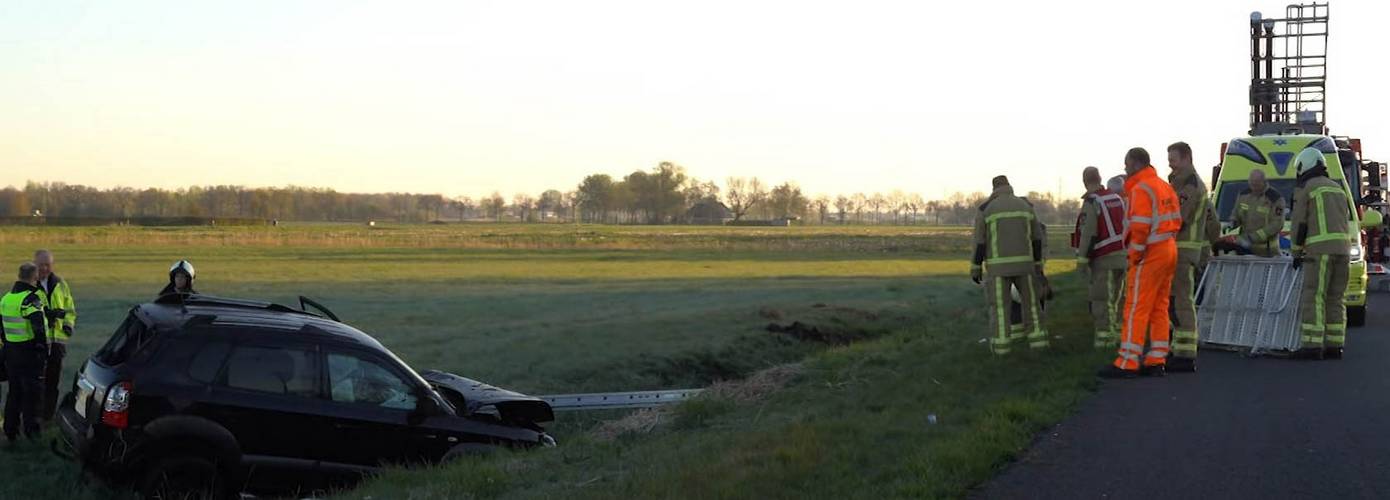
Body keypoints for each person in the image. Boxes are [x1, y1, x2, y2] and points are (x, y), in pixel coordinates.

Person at [1099, 147, 1182, 378]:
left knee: (1136, 307)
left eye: (1126, 164)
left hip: (1150, 252)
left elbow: (1140, 227)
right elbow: (1177, 219)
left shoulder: (1140, 189)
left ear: (1135, 164)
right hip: (1168, 248)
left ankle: (1128, 361)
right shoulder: (1163, 185)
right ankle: (1157, 359)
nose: (1124, 168)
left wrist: (1134, 256)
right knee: (1159, 307)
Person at [971, 175, 1049, 355]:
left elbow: (979, 242)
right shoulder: (1026, 206)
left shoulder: (985, 209)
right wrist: (1037, 264)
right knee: (1032, 306)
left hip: (998, 270)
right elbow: (1037, 238)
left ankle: (1002, 350)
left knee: (1000, 309)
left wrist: (975, 268)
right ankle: (1039, 345)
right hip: (1026, 267)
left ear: (994, 189)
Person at [1289, 148, 1352, 360]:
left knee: (1314, 296)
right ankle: (1335, 345)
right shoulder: (1338, 189)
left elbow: (1300, 223)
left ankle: (1312, 345)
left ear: (1303, 166)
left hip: (1319, 251)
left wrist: (1296, 252)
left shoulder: (1307, 189)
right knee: (1336, 298)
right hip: (1343, 251)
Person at [1166, 142, 1218, 372]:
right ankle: (1177, 348)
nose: (1170, 164)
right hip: (1176, 249)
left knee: (1182, 302)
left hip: (1183, 249)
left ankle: (1186, 354)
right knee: (1173, 302)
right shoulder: (1179, 182)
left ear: (1186, 158)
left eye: (1173, 159)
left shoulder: (1191, 185)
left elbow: (1178, 217)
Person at [1073, 167, 1127, 349]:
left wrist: (1082, 261)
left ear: (1084, 181)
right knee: (1116, 300)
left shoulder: (1092, 201)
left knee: (1101, 301)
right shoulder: (1117, 198)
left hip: (1104, 258)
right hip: (1123, 256)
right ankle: (1118, 336)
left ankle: (1104, 342)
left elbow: (1088, 233)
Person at [0, 262, 48, 441]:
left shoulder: (6, 298)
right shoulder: (30, 299)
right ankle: (32, 430)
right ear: (33, 278)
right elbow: (38, 328)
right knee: (32, 393)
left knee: (14, 392)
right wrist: (42, 350)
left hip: (10, 352)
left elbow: (2, 328)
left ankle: (10, 430)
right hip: (28, 353)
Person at [32, 249, 75, 421]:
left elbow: (70, 309)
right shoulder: (28, 284)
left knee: (52, 382)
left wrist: (67, 325)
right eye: (40, 265)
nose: (44, 268)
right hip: (37, 343)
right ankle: (33, 416)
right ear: (34, 265)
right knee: (36, 382)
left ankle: (48, 418)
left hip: (57, 343)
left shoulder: (61, 284)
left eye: (47, 265)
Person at [1230, 169, 1286, 257]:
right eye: (1252, 184)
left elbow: (1277, 224)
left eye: (1257, 184)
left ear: (1264, 182)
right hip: (1244, 249)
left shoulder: (1274, 198)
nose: (1254, 187)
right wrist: (1232, 223)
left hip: (1267, 252)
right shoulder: (1243, 195)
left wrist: (1253, 237)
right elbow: (1237, 213)